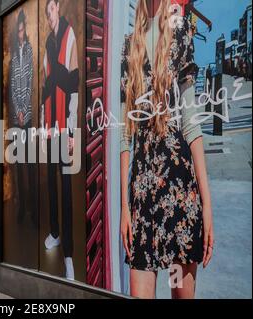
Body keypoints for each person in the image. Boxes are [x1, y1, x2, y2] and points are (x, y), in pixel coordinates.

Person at [120, 0, 214, 299]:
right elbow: (125, 135)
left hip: (180, 194)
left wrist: (207, 206)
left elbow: (191, 125)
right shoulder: (129, 46)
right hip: (142, 198)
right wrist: (125, 207)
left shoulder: (180, 33)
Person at [41, 0, 79, 281]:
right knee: (52, 185)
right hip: (51, 129)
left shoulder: (68, 35)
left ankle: (69, 257)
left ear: (58, 8)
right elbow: (45, 89)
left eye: (51, 8)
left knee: (66, 189)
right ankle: (54, 233)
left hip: (65, 128)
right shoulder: (48, 44)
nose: (48, 13)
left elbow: (74, 85)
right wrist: (44, 128)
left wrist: (73, 132)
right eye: (46, 11)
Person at [9, 10, 36, 225]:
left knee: (31, 163)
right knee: (18, 164)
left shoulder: (29, 50)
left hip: (27, 118)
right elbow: (11, 86)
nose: (20, 34)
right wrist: (16, 110)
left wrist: (24, 109)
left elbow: (29, 83)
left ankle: (33, 208)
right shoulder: (11, 58)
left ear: (25, 29)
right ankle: (22, 207)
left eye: (21, 30)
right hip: (16, 117)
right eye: (17, 31)